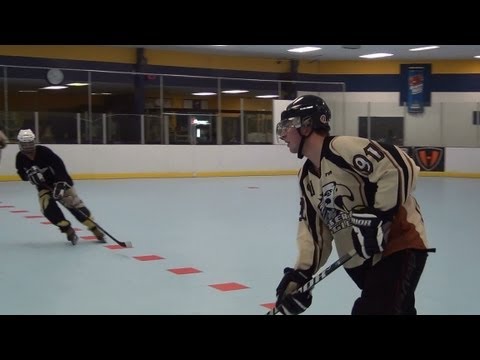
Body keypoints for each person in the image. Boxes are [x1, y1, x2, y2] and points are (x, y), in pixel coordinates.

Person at [274, 95, 434, 315]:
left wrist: (380, 215)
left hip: (398, 244)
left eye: (287, 125)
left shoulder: (342, 148)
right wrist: (301, 274)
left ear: (307, 125)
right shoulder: (306, 177)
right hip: (360, 260)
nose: (282, 134)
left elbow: (400, 166)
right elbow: (314, 232)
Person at [15, 129, 106, 246]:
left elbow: (59, 168)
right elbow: (21, 174)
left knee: (74, 205)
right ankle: (67, 229)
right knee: (48, 209)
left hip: (62, 183)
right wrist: (29, 176)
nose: (27, 147)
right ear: (20, 144)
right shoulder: (20, 158)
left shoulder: (44, 152)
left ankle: (94, 228)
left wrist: (61, 185)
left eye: (29, 143)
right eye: (24, 144)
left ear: (34, 142)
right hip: (44, 187)